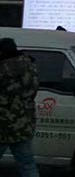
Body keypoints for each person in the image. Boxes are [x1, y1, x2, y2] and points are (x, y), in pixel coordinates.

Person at [0, 37, 39, 177]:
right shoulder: (30, 65)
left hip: (3, 124)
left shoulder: (3, 67)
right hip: (24, 124)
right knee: (27, 164)